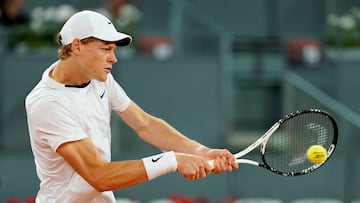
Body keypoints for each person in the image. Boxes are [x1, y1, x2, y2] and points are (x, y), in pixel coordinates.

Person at [25, 10, 238, 203]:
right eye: (106, 49)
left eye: (114, 50)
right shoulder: (47, 103)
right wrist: (172, 161)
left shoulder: (100, 78)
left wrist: (201, 151)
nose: (114, 58)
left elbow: (145, 125)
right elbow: (99, 175)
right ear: (77, 46)